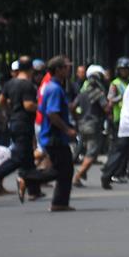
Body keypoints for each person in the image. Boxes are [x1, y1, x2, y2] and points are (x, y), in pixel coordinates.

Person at [0, 57, 45, 199]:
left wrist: (11, 111)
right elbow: (28, 105)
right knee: (18, 158)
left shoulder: (9, 83)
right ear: (31, 69)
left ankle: (33, 190)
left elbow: (1, 102)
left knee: (28, 157)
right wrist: (43, 107)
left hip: (14, 122)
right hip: (24, 123)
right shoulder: (28, 85)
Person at [36, 56, 77, 211]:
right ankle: (27, 179)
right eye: (65, 67)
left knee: (64, 170)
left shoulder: (54, 87)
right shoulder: (54, 89)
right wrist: (67, 129)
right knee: (61, 170)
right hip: (55, 136)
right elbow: (52, 114)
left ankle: (60, 203)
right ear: (58, 70)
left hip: (56, 135)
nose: (68, 69)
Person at [73, 65, 109, 187]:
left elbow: (73, 106)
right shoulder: (98, 93)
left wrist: (77, 118)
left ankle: (82, 171)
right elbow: (106, 108)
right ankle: (78, 176)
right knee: (92, 153)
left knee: (86, 149)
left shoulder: (82, 93)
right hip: (94, 125)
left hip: (82, 124)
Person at [105, 57, 129, 182]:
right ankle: (114, 172)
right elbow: (110, 99)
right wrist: (122, 97)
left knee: (127, 148)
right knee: (119, 147)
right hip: (119, 118)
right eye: (122, 70)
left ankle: (122, 171)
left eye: (126, 69)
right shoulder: (115, 83)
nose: (124, 72)